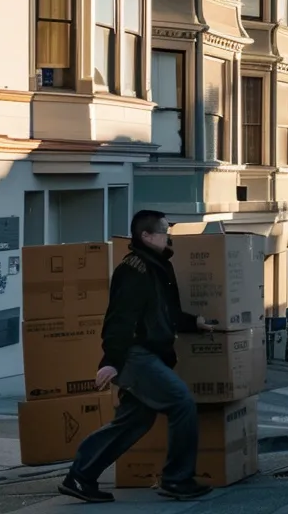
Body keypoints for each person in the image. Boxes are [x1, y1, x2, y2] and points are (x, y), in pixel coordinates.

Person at [61, 210, 218, 503]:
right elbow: (119, 319)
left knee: (136, 420)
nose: (168, 234)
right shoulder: (133, 269)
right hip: (135, 354)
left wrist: (193, 323)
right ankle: (177, 479)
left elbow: (166, 314)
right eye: (162, 230)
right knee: (182, 401)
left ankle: (80, 476)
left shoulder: (158, 266)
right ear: (146, 236)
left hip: (151, 354)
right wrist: (111, 361)